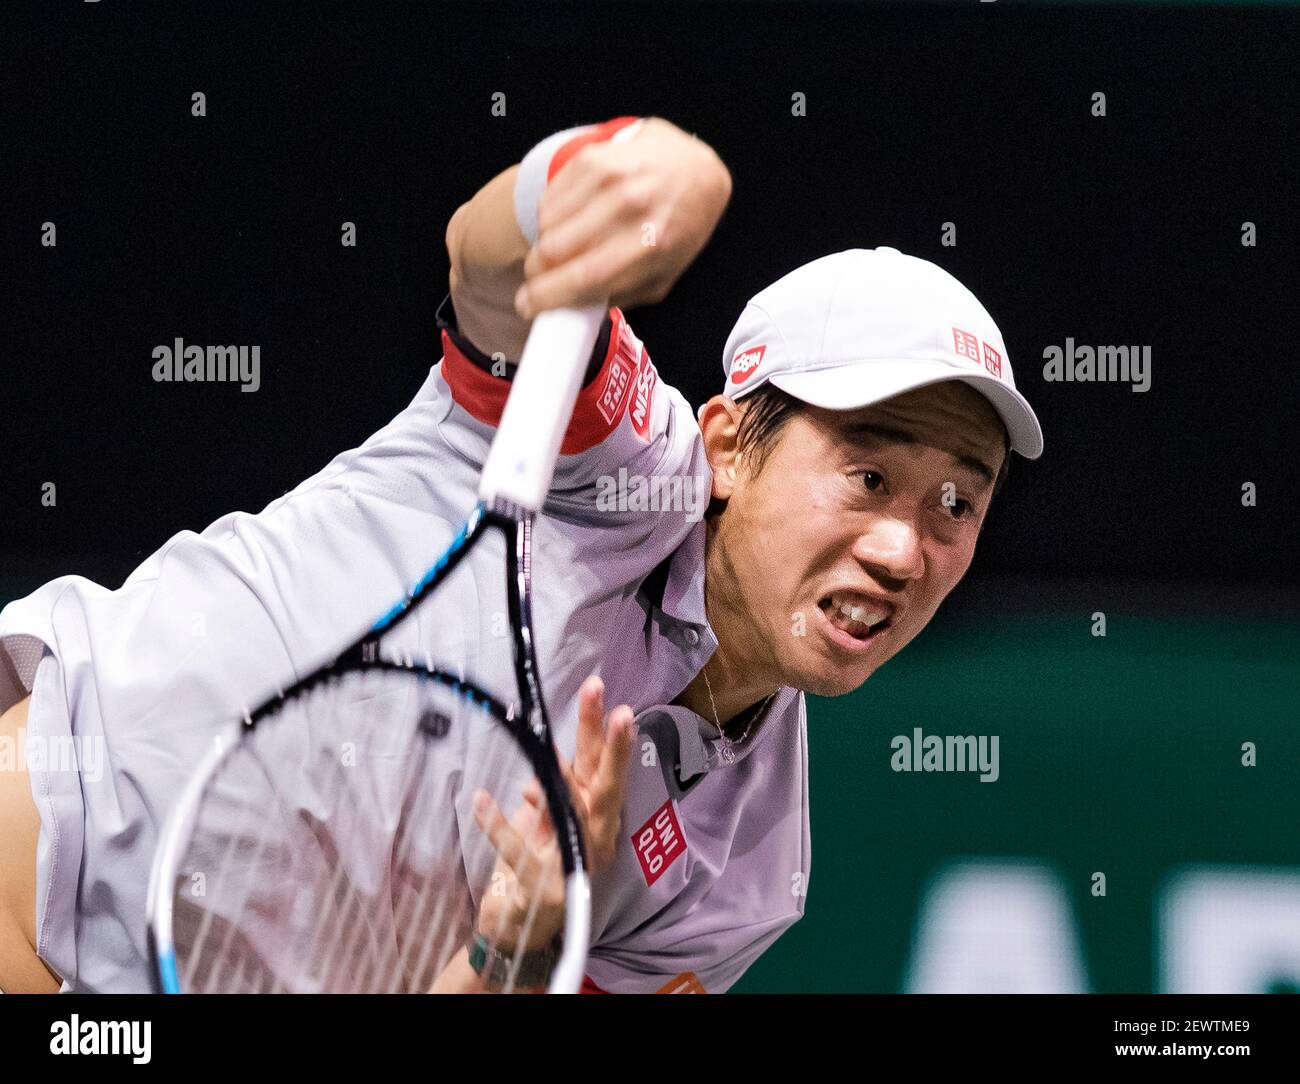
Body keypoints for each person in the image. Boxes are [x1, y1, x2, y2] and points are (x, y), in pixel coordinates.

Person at [0, 114, 1041, 993]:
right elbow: (488, 265)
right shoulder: (611, 458)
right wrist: (596, 170)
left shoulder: (746, 878)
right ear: (727, 445)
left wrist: (516, 948)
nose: (906, 547)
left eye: (957, 499)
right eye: (866, 476)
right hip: (47, 853)